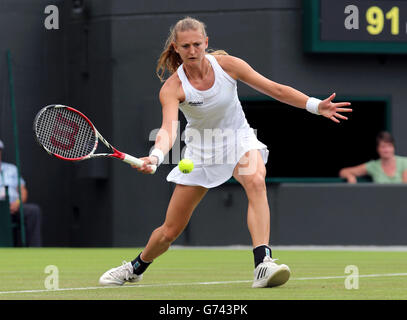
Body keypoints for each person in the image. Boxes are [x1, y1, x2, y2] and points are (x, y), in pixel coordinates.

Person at [99, 17, 352, 288]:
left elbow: (275, 89)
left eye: (197, 44)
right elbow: (168, 130)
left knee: (256, 179)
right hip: (200, 152)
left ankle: (263, 264)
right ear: (176, 48)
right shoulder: (173, 88)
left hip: (239, 139)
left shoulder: (229, 66)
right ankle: (135, 267)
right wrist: (157, 156)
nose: (193, 50)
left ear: (206, 43)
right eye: (186, 46)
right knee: (169, 232)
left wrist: (315, 105)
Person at [0, 139, 42, 247]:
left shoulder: (12, 169)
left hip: (14, 207)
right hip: (1, 207)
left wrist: (18, 203)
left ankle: (34, 250)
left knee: (33, 211)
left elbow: (22, 190)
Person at [339, 131, 407, 184]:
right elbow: (344, 172)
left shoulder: (404, 162)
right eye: (383, 147)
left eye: (389, 146)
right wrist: (350, 177)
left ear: (393, 147)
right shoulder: (373, 166)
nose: (386, 150)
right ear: (377, 149)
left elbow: (404, 189)